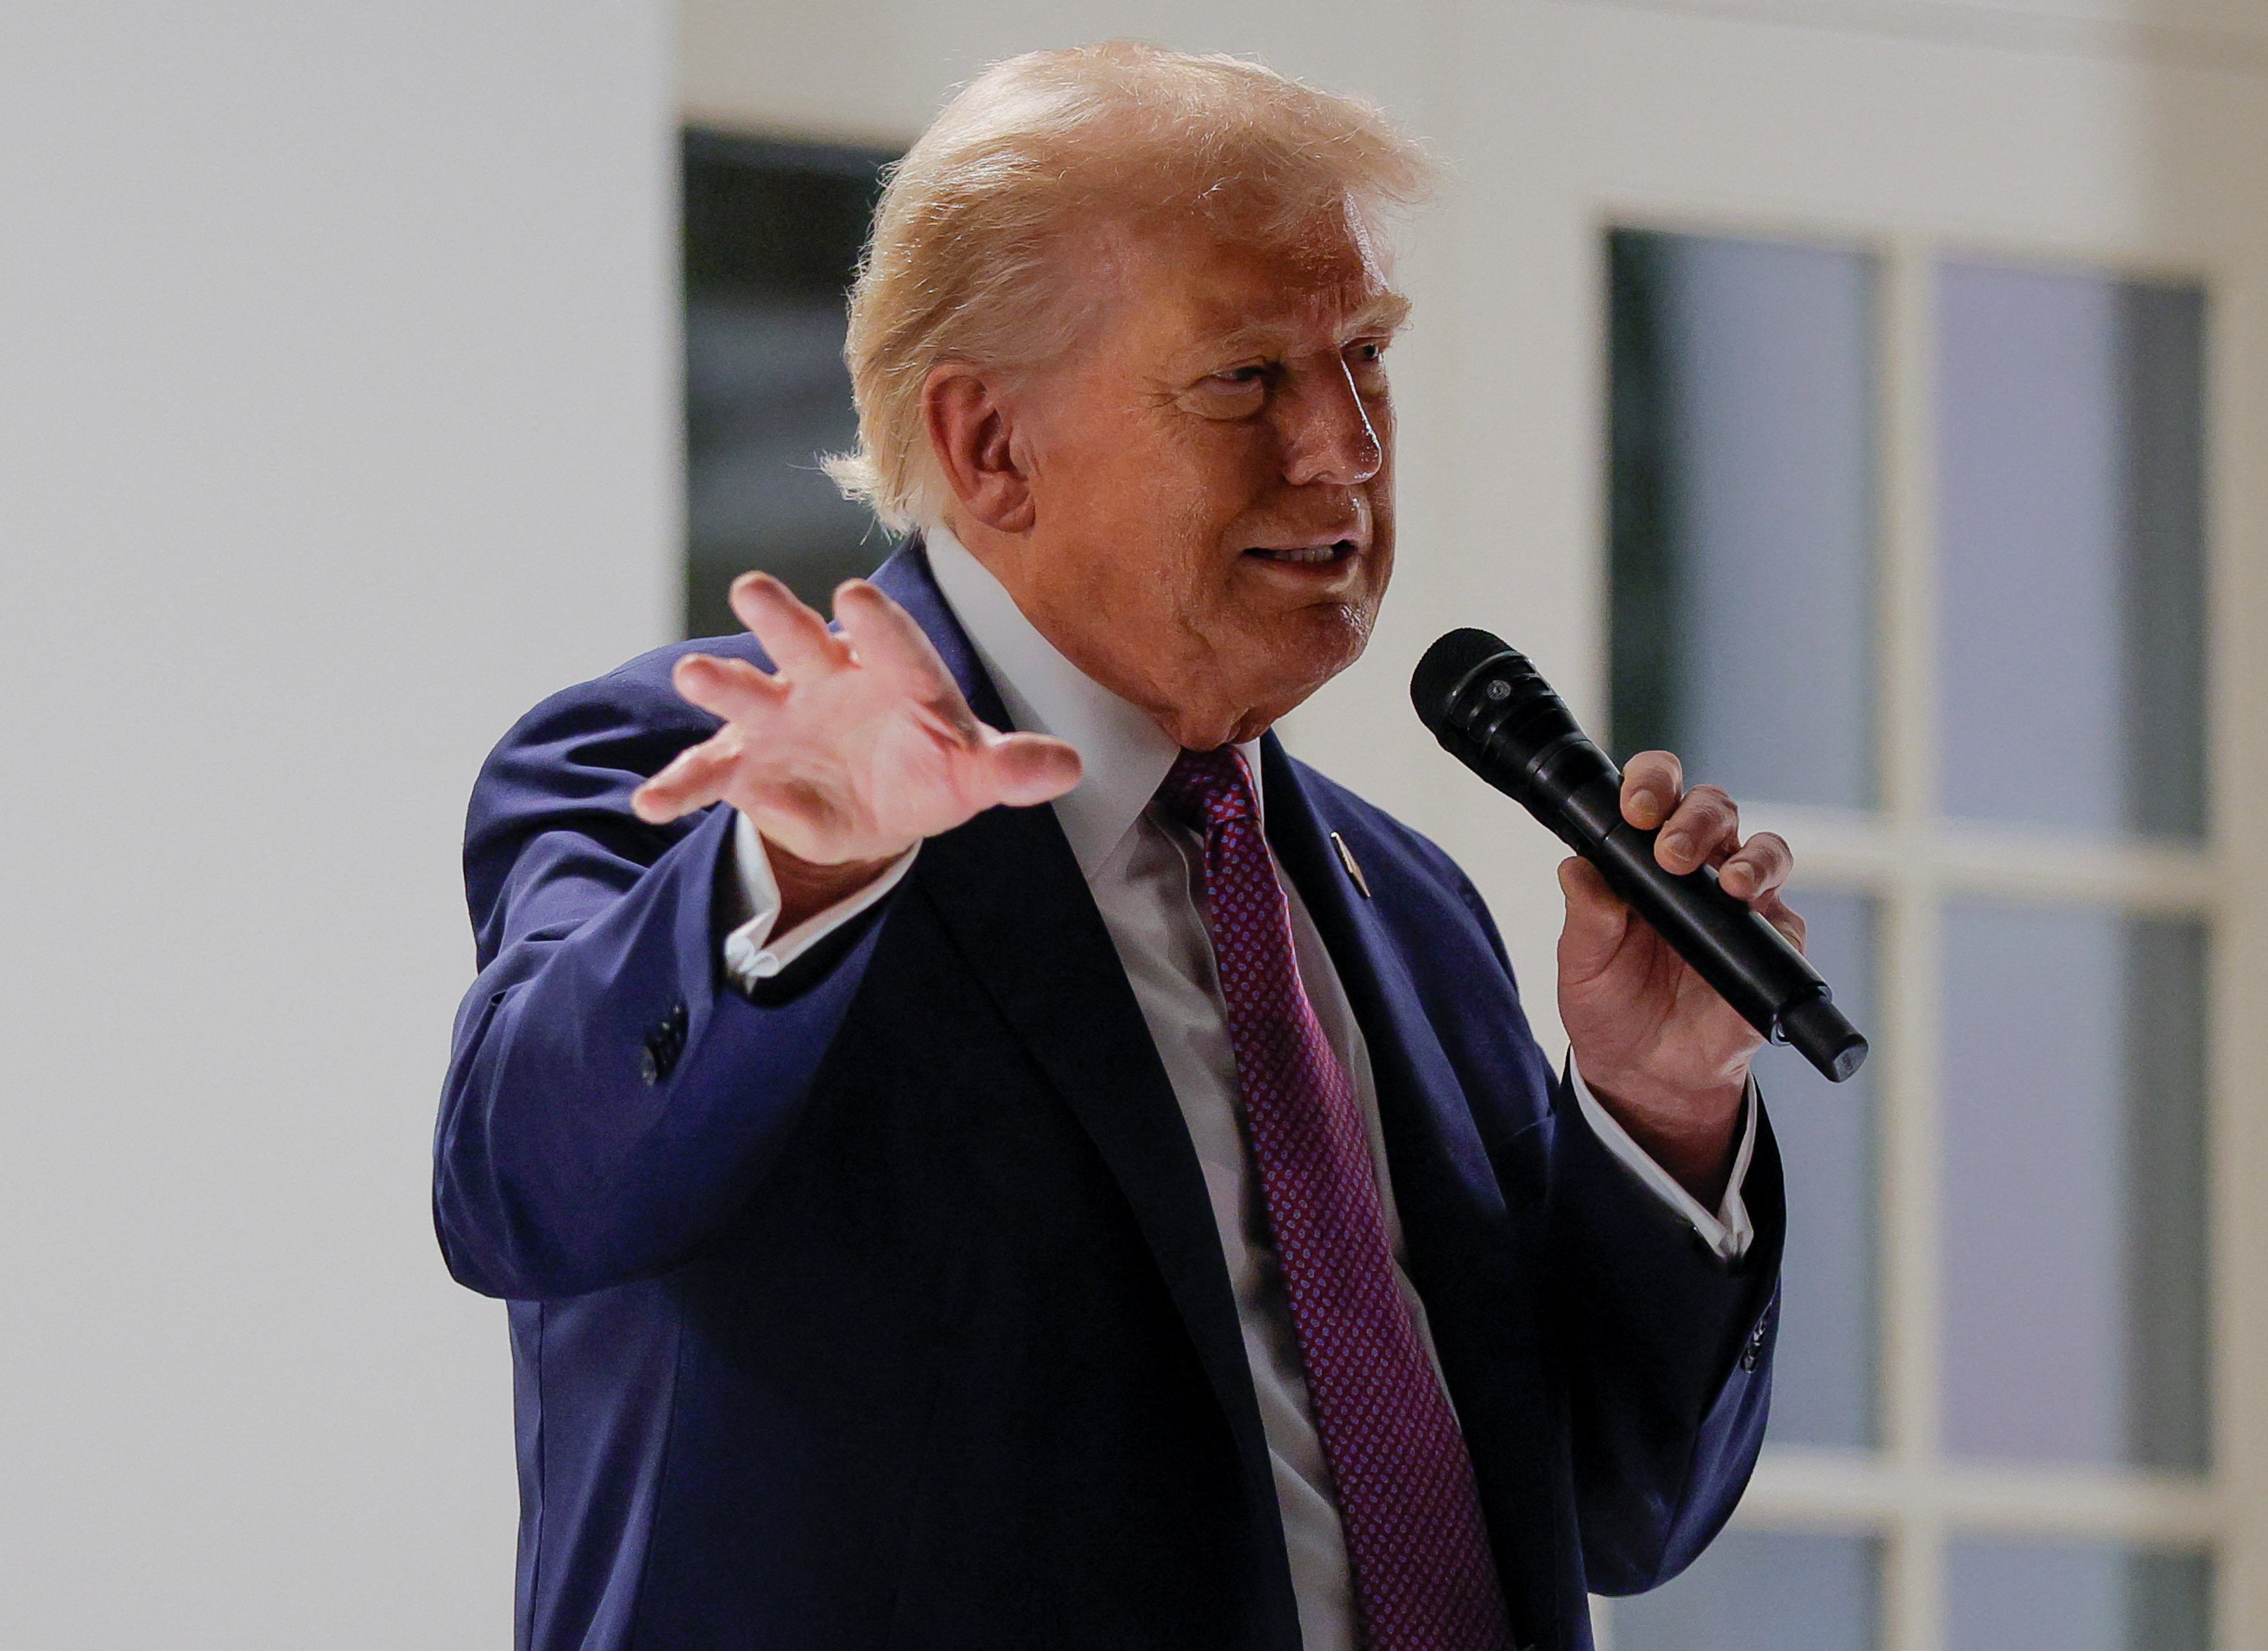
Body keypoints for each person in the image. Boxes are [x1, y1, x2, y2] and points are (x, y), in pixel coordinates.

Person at [437, 42, 1800, 1651]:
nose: (1346, 450)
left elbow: (1618, 1514)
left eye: (1364, 356)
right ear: (990, 446)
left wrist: (1660, 1112)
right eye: (1246, 379)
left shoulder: (1410, 908)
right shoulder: (696, 778)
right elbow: (528, 1193)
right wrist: (792, 879)